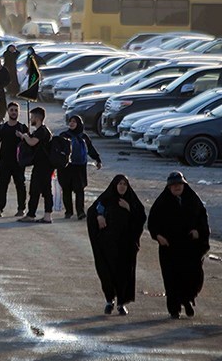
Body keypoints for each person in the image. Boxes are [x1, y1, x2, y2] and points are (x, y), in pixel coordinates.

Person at [148, 172, 210, 319]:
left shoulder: (193, 200)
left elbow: (202, 218)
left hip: (189, 247)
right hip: (169, 247)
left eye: (179, 184)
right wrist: (158, 236)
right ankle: (174, 309)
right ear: (169, 187)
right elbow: (152, 222)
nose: (177, 187)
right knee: (171, 279)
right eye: (173, 185)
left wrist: (198, 231)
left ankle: (187, 300)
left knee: (190, 277)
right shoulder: (162, 202)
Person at [87, 174, 146, 315]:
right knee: (107, 272)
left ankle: (121, 303)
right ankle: (109, 300)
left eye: (125, 184)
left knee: (124, 273)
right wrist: (99, 216)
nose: (122, 187)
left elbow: (141, 218)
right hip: (107, 245)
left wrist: (129, 208)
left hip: (126, 245)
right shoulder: (105, 199)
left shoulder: (132, 201)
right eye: (119, 184)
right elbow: (92, 211)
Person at [0, 101, 28, 217]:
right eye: (12, 110)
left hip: (18, 163)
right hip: (4, 162)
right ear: (8, 111)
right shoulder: (2, 128)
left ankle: (21, 209)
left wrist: (22, 136)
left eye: (16, 110)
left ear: (19, 112)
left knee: (20, 185)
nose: (14, 112)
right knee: (2, 185)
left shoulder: (22, 127)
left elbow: (30, 142)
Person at [57, 115, 103, 220]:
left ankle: (80, 212)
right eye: (70, 121)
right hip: (66, 167)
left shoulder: (83, 137)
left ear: (79, 124)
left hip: (79, 167)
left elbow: (90, 149)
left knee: (79, 190)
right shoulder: (63, 135)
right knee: (66, 189)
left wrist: (97, 159)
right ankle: (68, 211)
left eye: (74, 122)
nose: (72, 123)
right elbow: (57, 150)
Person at [16, 106, 54, 224]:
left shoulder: (42, 131)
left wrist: (24, 136)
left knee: (36, 190)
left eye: (32, 117)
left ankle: (32, 215)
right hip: (44, 165)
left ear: (37, 118)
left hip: (43, 165)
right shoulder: (42, 131)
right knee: (45, 190)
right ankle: (45, 215)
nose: (31, 119)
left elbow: (32, 142)